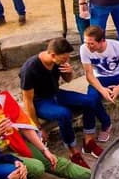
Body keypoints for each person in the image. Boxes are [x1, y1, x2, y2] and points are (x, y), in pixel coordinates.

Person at [21, 37, 104, 168]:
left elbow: (68, 80)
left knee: (90, 100)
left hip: (56, 94)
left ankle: (89, 141)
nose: (66, 60)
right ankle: (73, 152)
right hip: (40, 102)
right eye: (64, 58)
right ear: (53, 55)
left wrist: (69, 72)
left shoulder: (58, 60)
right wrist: (38, 127)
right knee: (64, 114)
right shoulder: (30, 69)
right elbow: (27, 100)